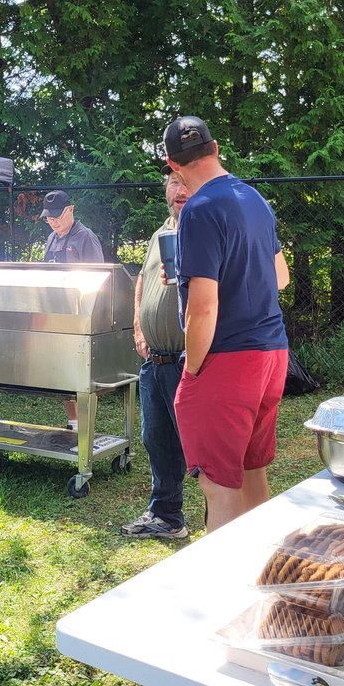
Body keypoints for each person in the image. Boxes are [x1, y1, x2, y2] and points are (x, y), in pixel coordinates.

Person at [162, 116, 290, 532]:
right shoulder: (254, 198)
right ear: (215, 149)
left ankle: (222, 593)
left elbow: (202, 311)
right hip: (272, 353)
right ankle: (265, 578)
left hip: (226, 360)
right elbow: (281, 276)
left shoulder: (198, 210)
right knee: (252, 471)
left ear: (172, 164)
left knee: (219, 487)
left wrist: (192, 371)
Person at [122, 169, 190, 539]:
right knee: (157, 440)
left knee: (199, 447)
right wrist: (137, 325)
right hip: (154, 360)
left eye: (186, 183)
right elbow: (143, 280)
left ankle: (224, 522)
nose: (179, 190)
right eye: (173, 183)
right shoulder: (160, 232)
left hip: (188, 361)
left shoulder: (204, 229)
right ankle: (167, 516)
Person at [41, 189, 104, 430]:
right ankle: (73, 424)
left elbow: (100, 280)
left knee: (84, 377)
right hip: (58, 317)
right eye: (49, 218)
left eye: (57, 217)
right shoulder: (51, 238)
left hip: (83, 317)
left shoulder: (85, 238)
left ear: (71, 210)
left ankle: (87, 426)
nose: (53, 222)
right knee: (63, 373)